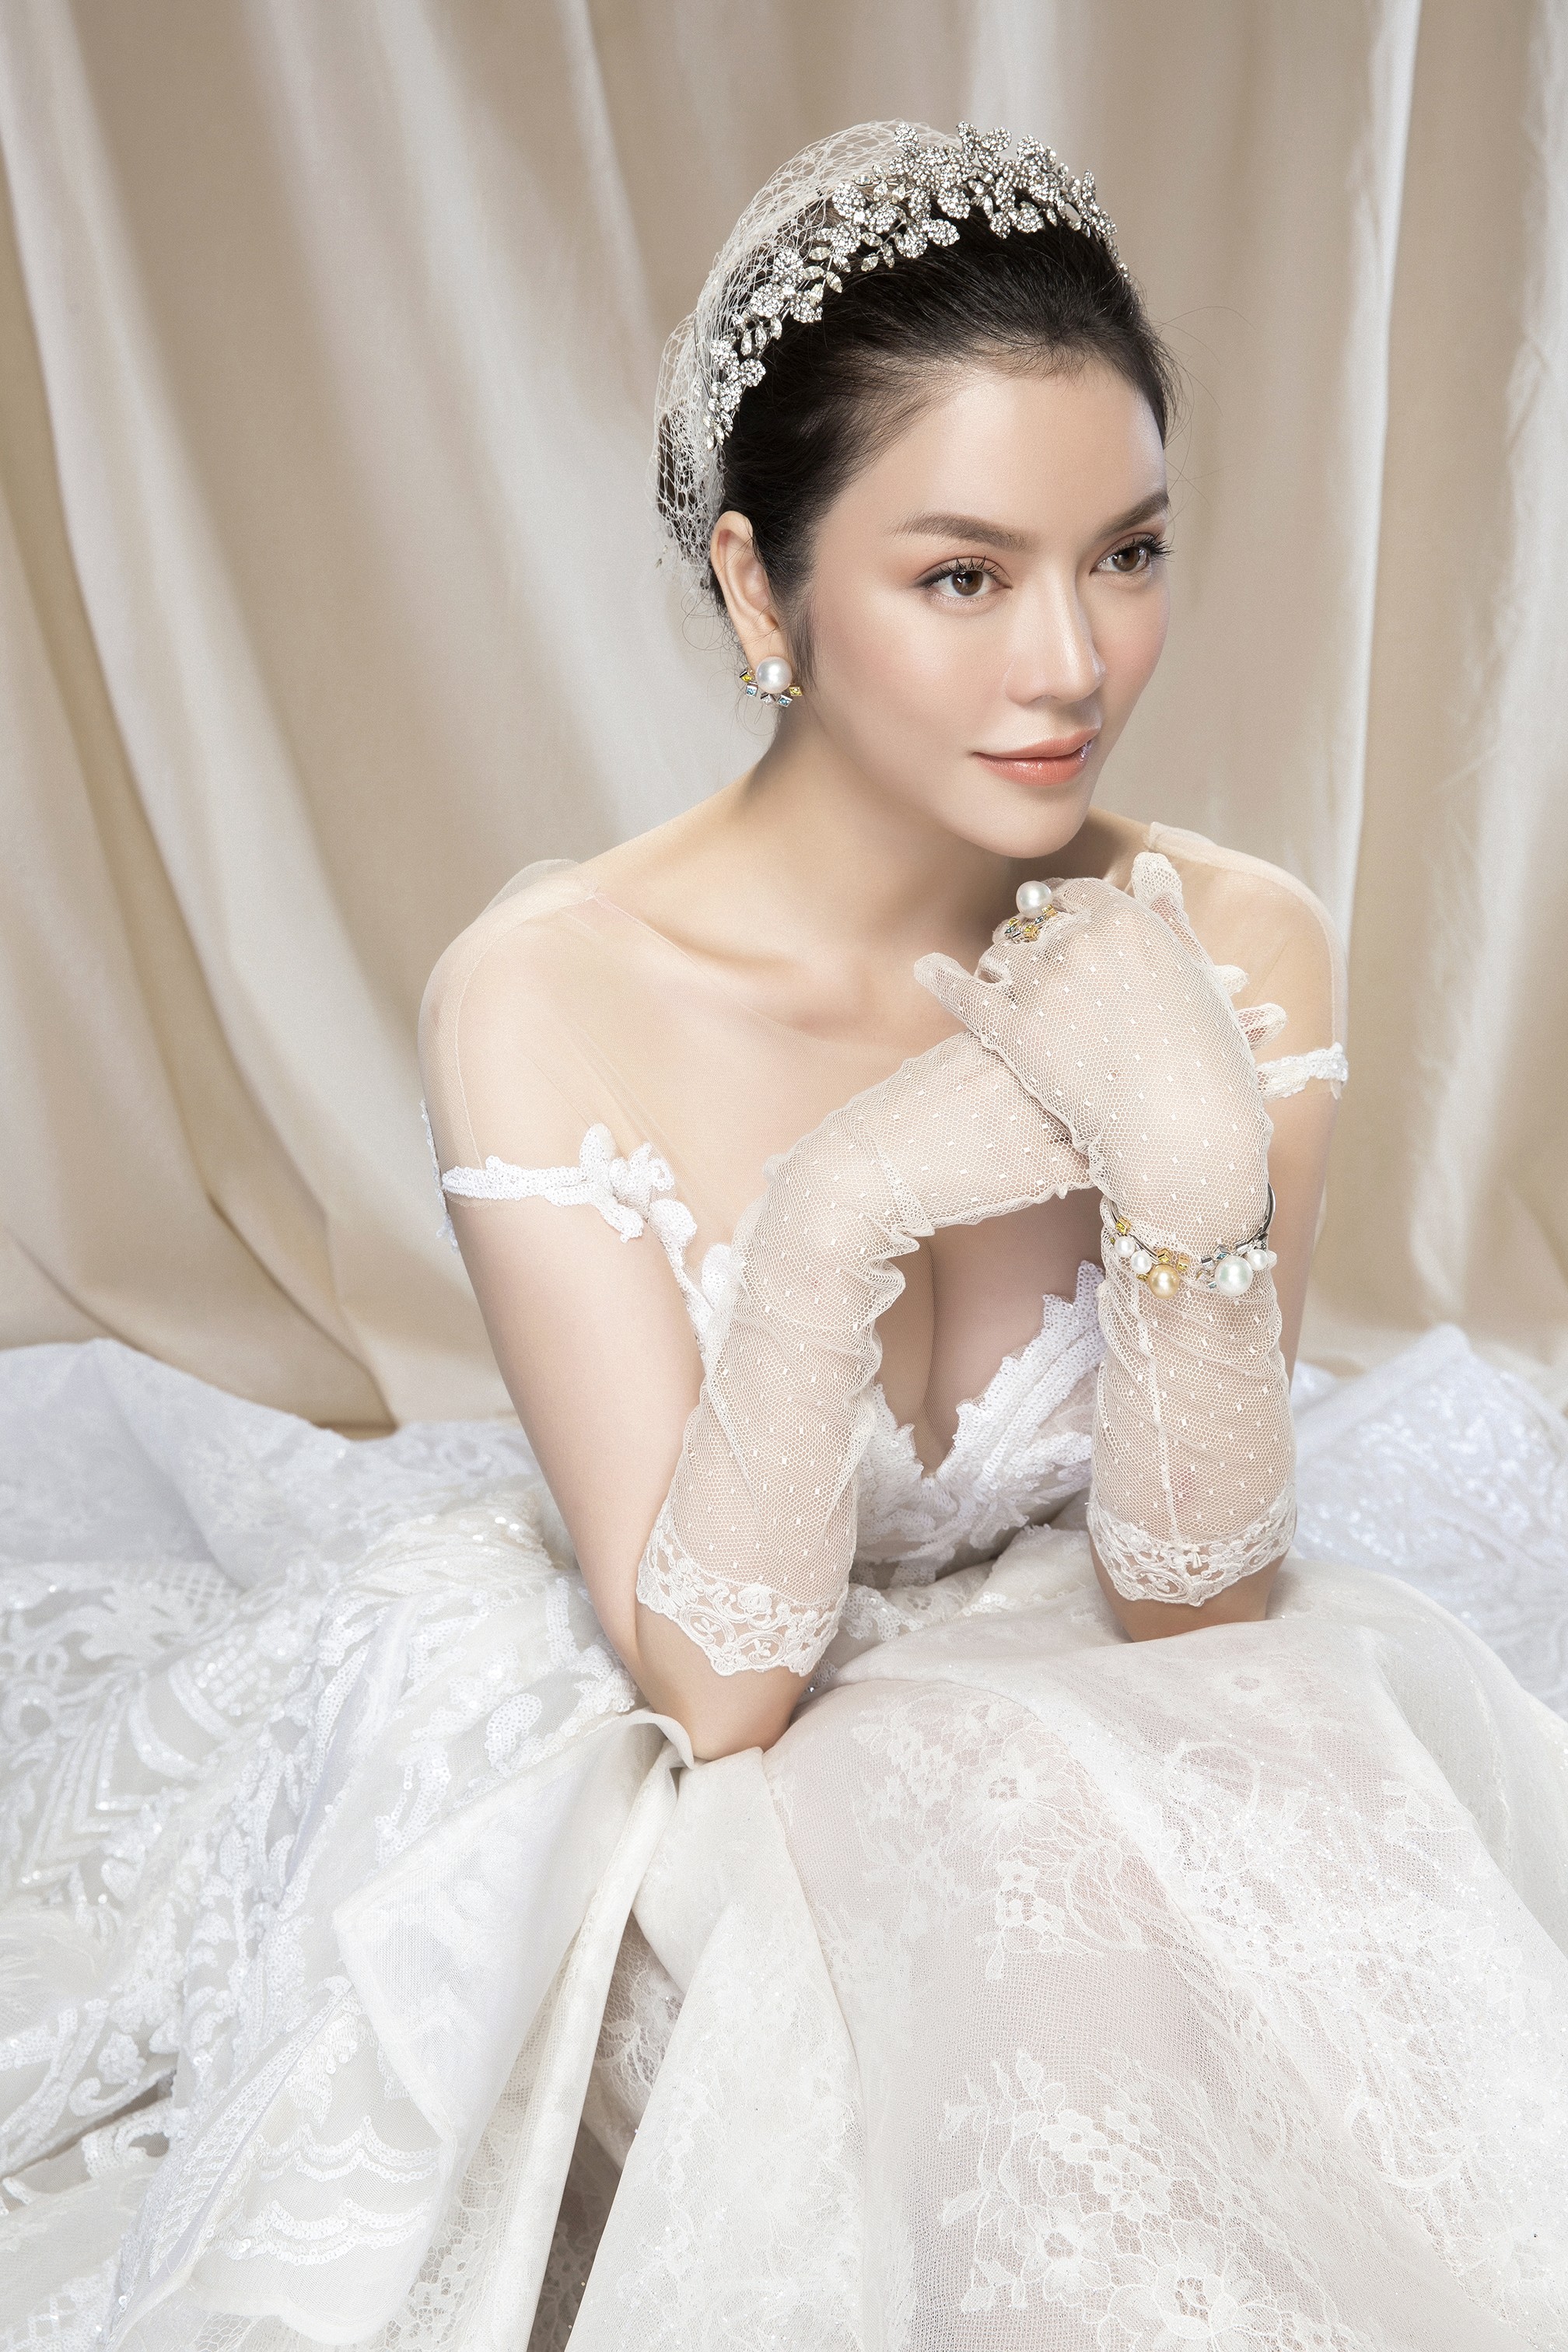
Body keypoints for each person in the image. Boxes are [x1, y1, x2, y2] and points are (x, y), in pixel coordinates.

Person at [2, 121, 1565, 2352]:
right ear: (760, 591)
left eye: (1128, 554)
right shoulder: (550, 991)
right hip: (708, 1744)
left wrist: (1190, 1181)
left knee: (1311, 1878)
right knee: (979, 1916)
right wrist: (839, 1209)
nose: (1074, 662)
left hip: (1089, 1669)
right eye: (964, 577)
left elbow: (1194, 1600)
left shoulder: (1228, 943)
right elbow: (720, 1689)